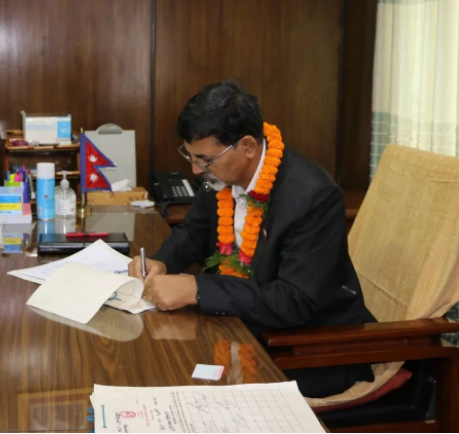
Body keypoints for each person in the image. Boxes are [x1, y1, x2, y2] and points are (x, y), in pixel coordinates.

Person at [128, 78, 374, 397]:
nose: (196, 170)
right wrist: (162, 262)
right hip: (239, 325)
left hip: (303, 348)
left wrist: (196, 289)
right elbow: (194, 230)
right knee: (156, 368)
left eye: (204, 159)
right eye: (191, 157)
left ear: (247, 146)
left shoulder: (312, 196)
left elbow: (294, 301)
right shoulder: (221, 174)